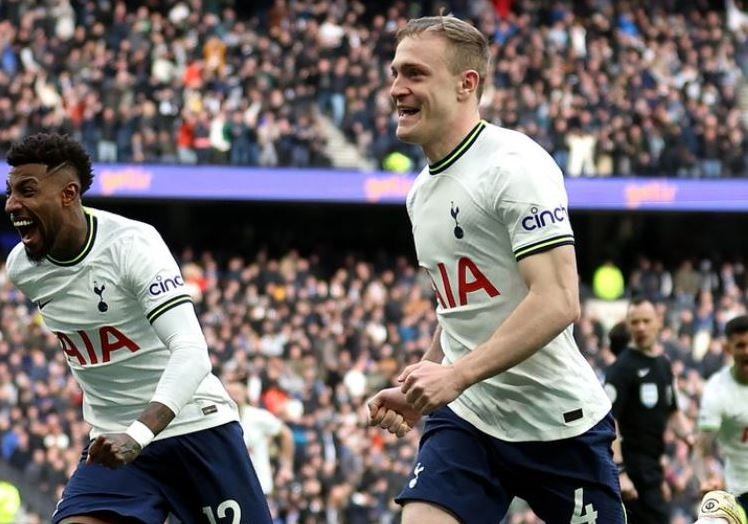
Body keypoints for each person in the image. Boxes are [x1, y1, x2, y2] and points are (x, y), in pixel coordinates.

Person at [367, 14, 624, 524]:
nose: (397, 88)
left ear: (467, 85)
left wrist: (455, 376)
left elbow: (557, 301)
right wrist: (427, 387)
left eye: (415, 74)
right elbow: (458, 311)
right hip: (470, 420)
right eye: (396, 73)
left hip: (558, 425)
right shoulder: (421, 193)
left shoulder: (515, 166)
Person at [4, 133, 272, 524]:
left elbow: (192, 353)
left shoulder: (132, 245)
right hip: (112, 445)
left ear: (68, 193)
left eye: (27, 191)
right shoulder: (23, 268)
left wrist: (139, 436)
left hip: (194, 428)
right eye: (10, 192)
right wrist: (126, 438)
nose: (13, 204)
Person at [604, 298, 694, 523]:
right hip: (633, 469)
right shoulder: (621, 368)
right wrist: (620, 472)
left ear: (658, 322)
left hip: (652, 468)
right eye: (635, 322)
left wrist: (691, 438)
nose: (641, 327)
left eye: (646, 321)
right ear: (628, 325)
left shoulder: (662, 365)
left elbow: (673, 412)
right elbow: (609, 421)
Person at [694, 315, 748, 515]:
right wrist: (705, 479)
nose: (747, 352)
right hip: (740, 491)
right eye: (741, 345)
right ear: (728, 348)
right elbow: (701, 450)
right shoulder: (717, 389)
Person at [225, 380, 295, 495]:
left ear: (245, 394)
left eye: (238, 393)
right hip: (233, 489)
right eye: (231, 394)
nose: (235, 398)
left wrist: (286, 467)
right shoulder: (220, 420)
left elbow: (286, 434)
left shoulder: (258, 416)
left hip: (260, 486)